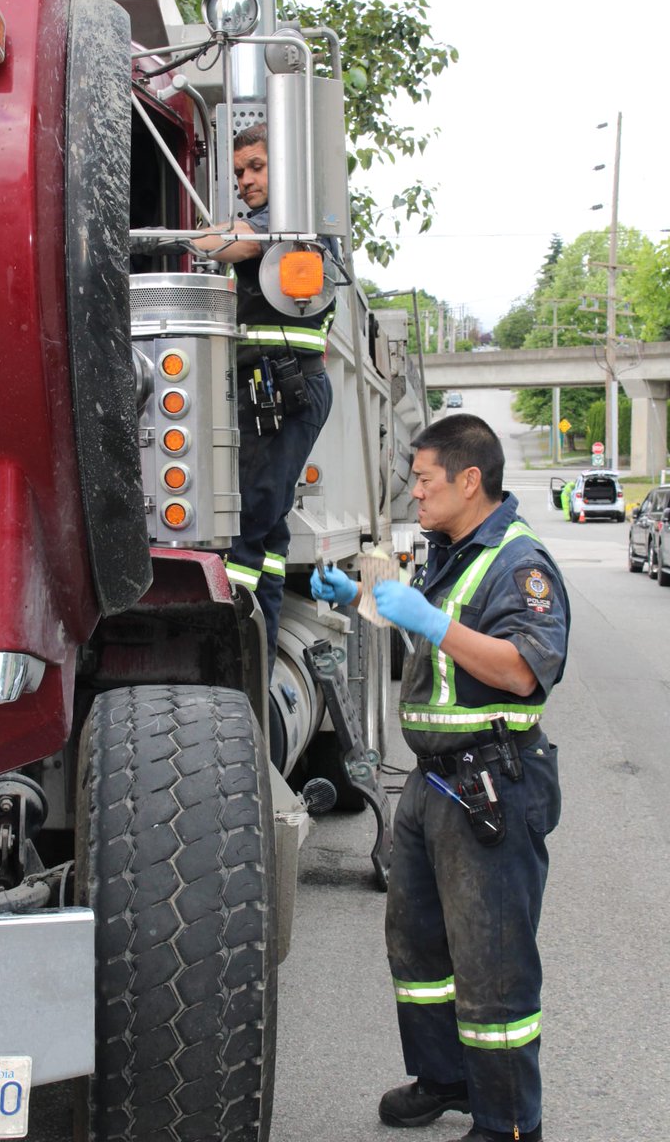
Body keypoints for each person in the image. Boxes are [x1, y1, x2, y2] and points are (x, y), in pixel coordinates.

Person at [310, 413, 569, 1142]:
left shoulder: (520, 564)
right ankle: (444, 1079)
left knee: (493, 962)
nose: (415, 494)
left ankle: (509, 1122)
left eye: (424, 481)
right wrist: (350, 602)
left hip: (491, 784)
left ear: (468, 479)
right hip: (432, 784)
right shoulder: (450, 549)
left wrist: (429, 621)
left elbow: (522, 670)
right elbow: (430, 632)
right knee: (419, 949)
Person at [197, 123, 334, 674]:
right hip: (273, 390)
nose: (245, 180)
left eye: (255, 167)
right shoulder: (276, 223)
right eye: (238, 173)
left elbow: (234, 241)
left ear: (286, 166)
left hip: (282, 391)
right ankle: (262, 653)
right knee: (268, 532)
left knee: (245, 530)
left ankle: (235, 663)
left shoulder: (291, 220)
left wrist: (182, 237)